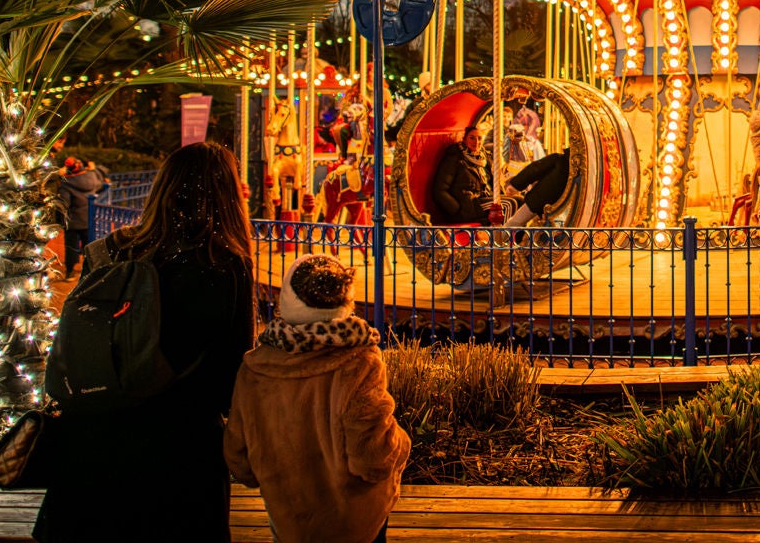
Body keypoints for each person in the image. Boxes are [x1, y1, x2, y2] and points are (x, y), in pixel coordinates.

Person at [34, 142, 256, 543]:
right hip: (178, 448)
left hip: (94, 439)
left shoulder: (111, 251)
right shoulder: (223, 264)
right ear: (226, 194)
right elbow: (232, 374)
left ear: (163, 187)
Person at [225, 254, 411, 543]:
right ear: (345, 301)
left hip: (290, 518)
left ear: (288, 298)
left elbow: (240, 460)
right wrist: (402, 443)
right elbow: (373, 457)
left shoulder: (256, 367)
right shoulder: (359, 361)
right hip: (357, 521)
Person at [429, 125, 505, 226]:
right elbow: (439, 190)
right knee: (507, 205)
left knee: (518, 200)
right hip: (469, 205)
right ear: (464, 139)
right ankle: (503, 238)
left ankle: (515, 238)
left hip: (484, 198)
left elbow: (493, 181)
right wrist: (458, 209)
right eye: (472, 138)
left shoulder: (483, 158)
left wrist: (503, 193)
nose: (476, 142)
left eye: (479, 138)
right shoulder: (455, 158)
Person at [503, 151, 571, 226]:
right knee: (516, 222)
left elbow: (533, 170)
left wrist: (515, 185)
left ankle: (499, 236)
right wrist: (516, 185)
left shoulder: (560, 160)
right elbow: (534, 170)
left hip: (540, 200)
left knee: (515, 222)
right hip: (545, 202)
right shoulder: (563, 161)